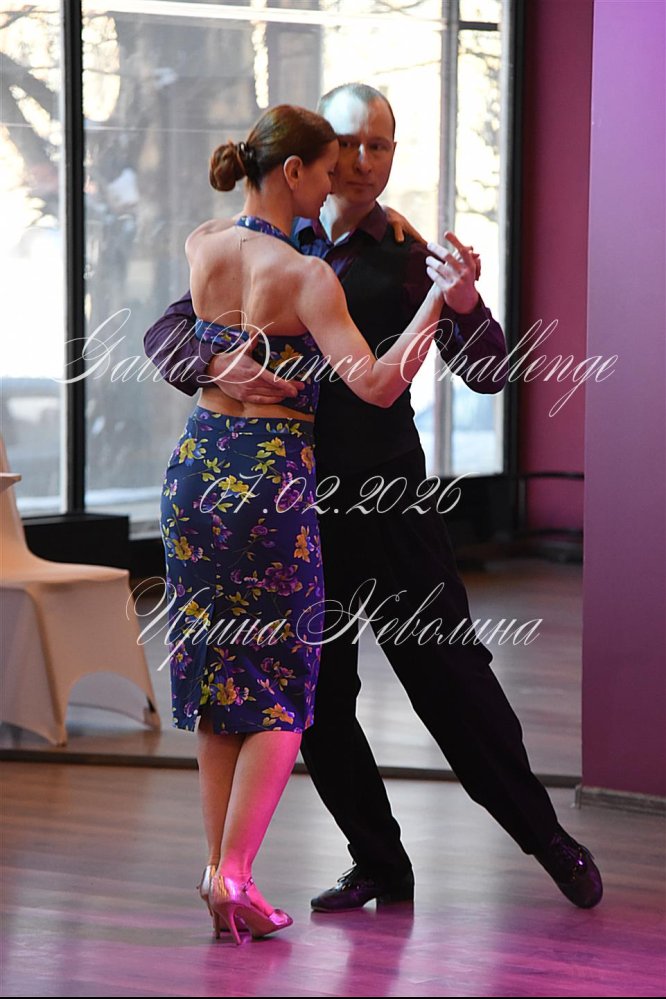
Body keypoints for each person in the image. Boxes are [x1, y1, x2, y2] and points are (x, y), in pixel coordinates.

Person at [146, 83, 602, 914]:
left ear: (393, 156)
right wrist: (211, 364)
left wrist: (459, 299)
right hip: (289, 512)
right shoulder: (265, 241)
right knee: (314, 703)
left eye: (378, 146)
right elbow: (168, 330)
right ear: (311, 161)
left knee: (452, 680)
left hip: (388, 510)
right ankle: (378, 861)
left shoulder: (409, 254)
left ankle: (549, 840)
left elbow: (490, 369)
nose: (361, 162)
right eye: (347, 145)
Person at [159, 102, 458, 944]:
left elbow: (191, 338)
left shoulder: (203, 243)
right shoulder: (306, 277)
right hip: (268, 484)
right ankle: (236, 872)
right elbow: (379, 384)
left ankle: (217, 874)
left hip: (197, 470)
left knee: (221, 681)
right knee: (287, 690)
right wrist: (435, 302)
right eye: (326, 170)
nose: (335, 184)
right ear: (293, 172)